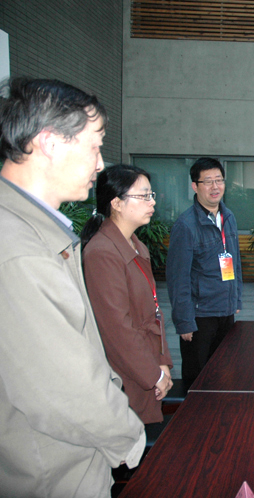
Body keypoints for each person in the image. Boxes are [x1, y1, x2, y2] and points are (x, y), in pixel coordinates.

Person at [0, 77, 145, 497]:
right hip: (54, 473)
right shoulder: (19, 248)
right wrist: (130, 437)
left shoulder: (32, 229)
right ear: (49, 142)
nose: (100, 164)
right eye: (94, 146)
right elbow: (64, 390)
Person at [81, 164, 174, 425]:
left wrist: (162, 362)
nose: (152, 202)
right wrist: (153, 375)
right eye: (143, 196)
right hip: (125, 373)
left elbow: (154, 311)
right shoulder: (102, 252)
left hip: (146, 362)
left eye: (151, 195)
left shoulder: (136, 245)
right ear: (116, 203)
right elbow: (116, 329)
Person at [166, 157, 242, 389]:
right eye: (208, 181)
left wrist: (236, 298)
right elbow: (177, 278)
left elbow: (235, 263)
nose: (215, 186)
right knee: (197, 380)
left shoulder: (228, 217)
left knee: (224, 374)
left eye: (219, 180)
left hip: (225, 311)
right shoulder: (186, 225)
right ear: (195, 186)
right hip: (200, 317)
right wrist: (184, 322)